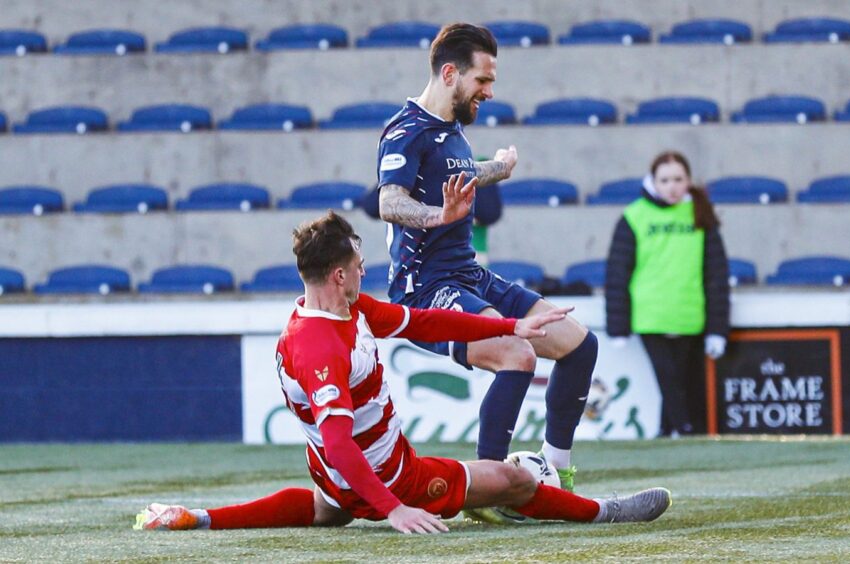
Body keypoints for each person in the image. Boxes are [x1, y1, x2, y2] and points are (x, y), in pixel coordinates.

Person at [134, 208, 672, 534]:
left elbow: (425, 318)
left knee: (329, 510)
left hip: (334, 478)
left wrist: (511, 326)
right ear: (339, 273)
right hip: (392, 477)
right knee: (512, 477)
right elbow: (341, 438)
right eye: (361, 267)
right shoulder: (320, 344)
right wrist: (394, 508)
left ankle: (200, 517)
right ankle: (603, 511)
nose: (367, 273)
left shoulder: (340, 310)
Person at [376, 22, 598, 497]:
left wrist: (499, 168)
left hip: (469, 276)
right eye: (483, 80)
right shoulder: (405, 131)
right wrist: (439, 214)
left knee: (580, 346)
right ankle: (489, 488)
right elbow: (388, 201)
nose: (490, 91)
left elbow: (458, 172)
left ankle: (557, 474)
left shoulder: (451, 128)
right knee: (516, 353)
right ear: (451, 73)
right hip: (427, 289)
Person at [604, 151, 730, 437]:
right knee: (669, 378)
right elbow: (617, 272)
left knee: (681, 379)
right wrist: (618, 325)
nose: (672, 186)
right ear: (653, 182)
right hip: (649, 314)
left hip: (689, 314)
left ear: (688, 180)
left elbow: (716, 274)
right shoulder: (634, 216)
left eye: (678, 179)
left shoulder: (701, 213)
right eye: (665, 180)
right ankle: (685, 429)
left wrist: (717, 329)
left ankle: (665, 430)